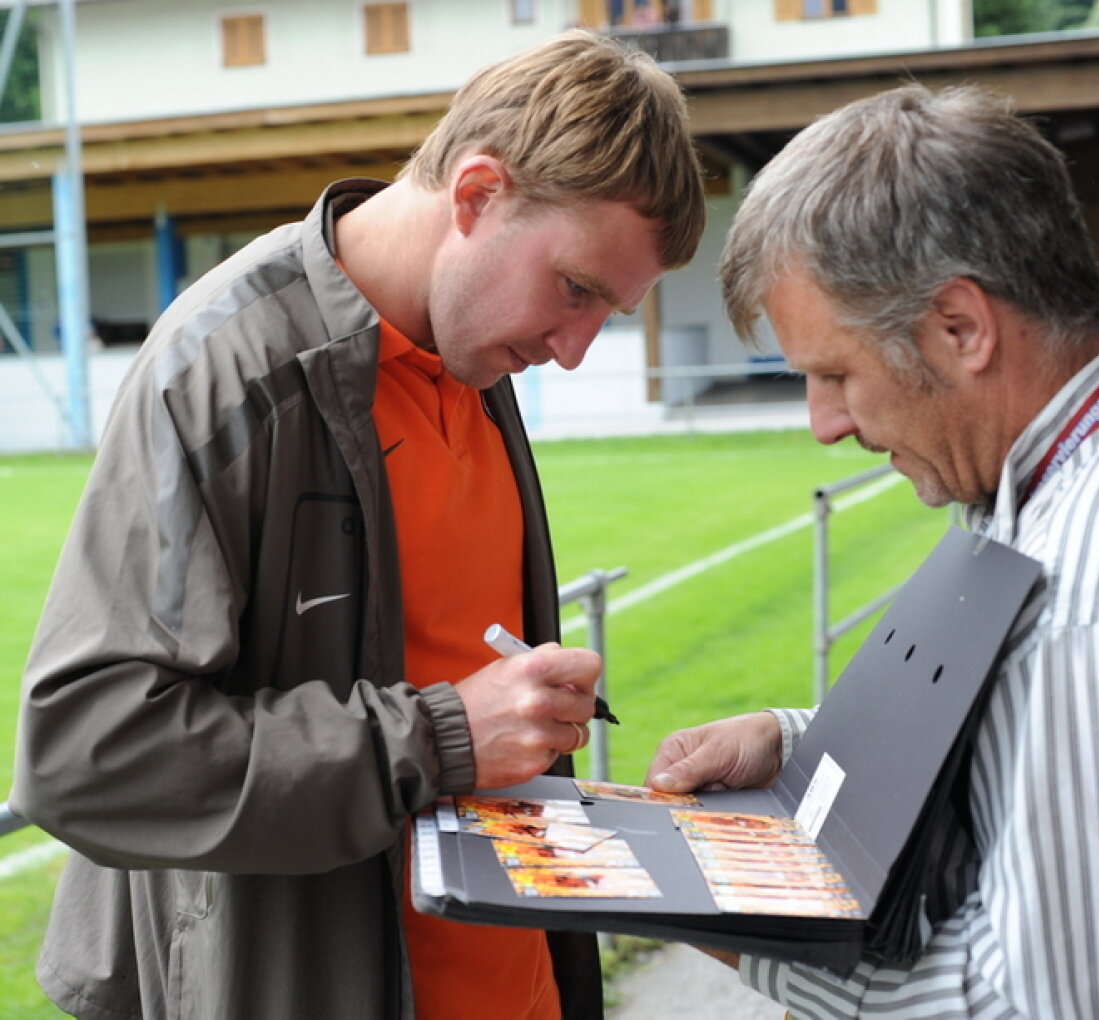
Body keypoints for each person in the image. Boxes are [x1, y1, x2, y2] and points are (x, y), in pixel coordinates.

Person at [10, 29, 705, 1020]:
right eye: (576, 290)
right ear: (477, 195)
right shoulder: (224, 374)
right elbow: (85, 754)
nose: (575, 350)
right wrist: (439, 736)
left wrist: (519, 711)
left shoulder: (476, 349)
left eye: (609, 314)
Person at [646, 83, 1099, 1018]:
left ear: (961, 328)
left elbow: (1047, 1009)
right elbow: (1031, 751)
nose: (824, 424)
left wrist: (745, 936)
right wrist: (799, 747)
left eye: (835, 373)